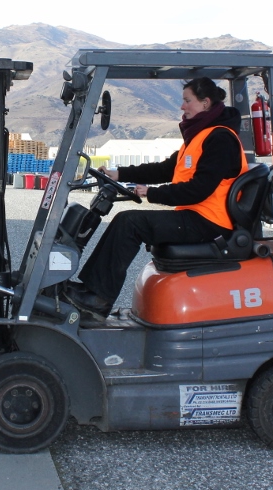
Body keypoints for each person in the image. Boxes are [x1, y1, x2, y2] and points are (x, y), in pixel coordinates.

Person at [62, 77, 249, 320]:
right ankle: (91, 290)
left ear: (205, 103)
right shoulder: (199, 137)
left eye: (187, 101)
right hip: (196, 217)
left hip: (210, 223)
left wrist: (152, 193)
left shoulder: (220, 139)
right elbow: (163, 170)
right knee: (126, 221)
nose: (182, 106)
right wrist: (120, 174)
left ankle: (98, 299)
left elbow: (199, 189)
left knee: (129, 223)